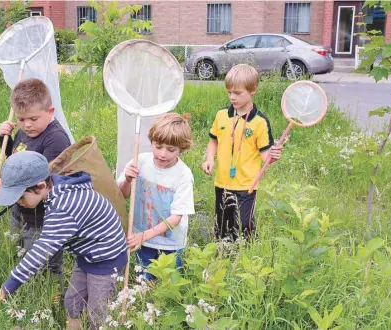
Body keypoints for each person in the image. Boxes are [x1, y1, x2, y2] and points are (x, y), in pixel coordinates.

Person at [0, 151, 128, 330]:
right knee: (72, 303)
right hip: (87, 254)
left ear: (40, 186)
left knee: (98, 313)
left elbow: (40, 252)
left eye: (20, 197)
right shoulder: (58, 186)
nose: (18, 203)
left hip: (106, 260)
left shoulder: (65, 207)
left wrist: (4, 290)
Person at [0, 78, 71, 275]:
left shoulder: (55, 139)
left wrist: (6, 187)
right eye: (21, 119)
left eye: (33, 119)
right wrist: (3, 138)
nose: (27, 125)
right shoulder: (26, 133)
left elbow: (43, 184)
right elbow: (16, 160)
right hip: (22, 210)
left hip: (44, 219)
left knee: (44, 266)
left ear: (50, 112)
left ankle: (52, 296)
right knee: (20, 254)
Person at [201, 64, 282, 241]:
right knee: (222, 226)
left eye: (238, 93)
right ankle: (223, 256)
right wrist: (209, 160)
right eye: (229, 92)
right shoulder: (221, 115)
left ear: (253, 90)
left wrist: (273, 156)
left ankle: (249, 255)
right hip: (222, 182)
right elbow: (213, 140)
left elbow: (265, 156)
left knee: (244, 226)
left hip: (247, 185)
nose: (232, 97)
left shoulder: (260, 122)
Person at [117, 113, 195, 279]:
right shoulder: (140, 162)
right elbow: (122, 195)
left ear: (182, 148)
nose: (163, 154)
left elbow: (176, 218)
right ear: (151, 141)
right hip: (142, 241)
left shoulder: (183, 174)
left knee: (169, 286)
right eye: (158, 146)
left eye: (171, 149)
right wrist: (127, 180)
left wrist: (143, 236)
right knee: (146, 283)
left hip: (171, 244)